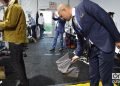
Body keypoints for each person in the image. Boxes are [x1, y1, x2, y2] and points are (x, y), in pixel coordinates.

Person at [57, 0, 120, 86]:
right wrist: (78, 54)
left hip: (104, 45)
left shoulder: (84, 5)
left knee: (105, 79)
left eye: (61, 15)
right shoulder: (73, 22)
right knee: (93, 77)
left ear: (64, 9)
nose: (62, 18)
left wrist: (117, 38)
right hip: (92, 50)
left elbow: (105, 17)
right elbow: (80, 39)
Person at [0, 0, 29, 86]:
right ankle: (24, 82)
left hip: (16, 39)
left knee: (16, 62)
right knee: (18, 62)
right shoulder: (12, 6)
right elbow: (9, 21)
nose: (1, 2)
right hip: (15, 38)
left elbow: (10, 23)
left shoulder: (14, 7)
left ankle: (24, 83)